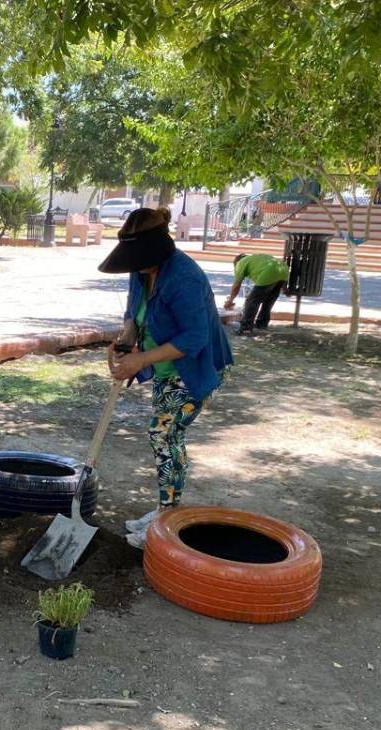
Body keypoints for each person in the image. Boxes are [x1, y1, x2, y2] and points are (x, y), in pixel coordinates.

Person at [99, 208, 234, 548]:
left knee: (164, 434)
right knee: (165, 435)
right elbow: (133, 313)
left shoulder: (183, 278)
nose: (136, 264)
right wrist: (124, 346)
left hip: (193, 369)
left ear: (157, 249)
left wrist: (141, 358)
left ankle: (167, 517)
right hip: (165, 369)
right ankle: (165, 509)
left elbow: (194, 338)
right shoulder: (141, 270)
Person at [224, 252, 290, 334]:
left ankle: (246, 328)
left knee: (252, 301)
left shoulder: (240, 263)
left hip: (270, 272)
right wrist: (284, 287)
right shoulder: (254, 259)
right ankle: (261, 324)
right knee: (268, 301)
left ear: (236, 263)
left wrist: (230, 300)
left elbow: (236, 286)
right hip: (283, 270)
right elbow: (275, 266)